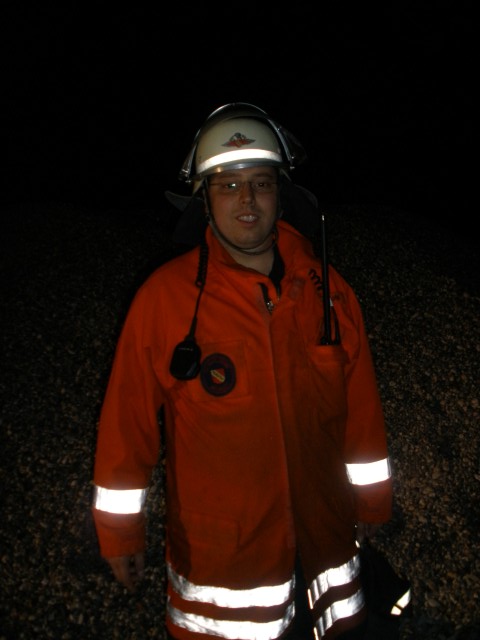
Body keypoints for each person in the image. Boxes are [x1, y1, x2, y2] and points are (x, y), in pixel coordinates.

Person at [91, 102, 393, 640]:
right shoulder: (164, 299)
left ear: (282, 196)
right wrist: (120, 534)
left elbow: (362, 410)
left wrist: (372, 502)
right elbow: (125, 425)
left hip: (326, 545)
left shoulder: (329, 292)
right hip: (224, 565)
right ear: (204, 200)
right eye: (228, 186)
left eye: (261, 184)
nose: (247, 200)